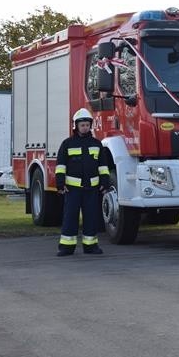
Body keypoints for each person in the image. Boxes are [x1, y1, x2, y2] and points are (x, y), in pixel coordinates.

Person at [55, 108, 110, 256]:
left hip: (92, 189)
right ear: (76, 126)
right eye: (82, 125)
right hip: (72, 189)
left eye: (87, 125)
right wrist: (60, 183)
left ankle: (90, 246)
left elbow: (103, 166)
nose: (85, 127)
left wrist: (105, 183)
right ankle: (66, 247)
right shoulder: (67, 144)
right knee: (70, 217)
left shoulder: (97, 144)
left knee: (91, 218)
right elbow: (61, 166)